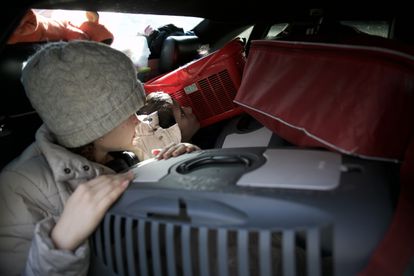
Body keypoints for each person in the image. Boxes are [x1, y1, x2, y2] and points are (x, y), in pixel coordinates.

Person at [0, 40, 199, 275]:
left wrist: (181, 164)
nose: (140, 119)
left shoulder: (116, 153)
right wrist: (60, 241)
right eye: (129, 111)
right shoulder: (17, 188)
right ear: (95, 126)